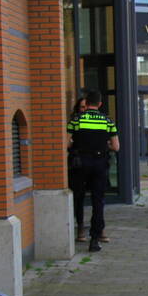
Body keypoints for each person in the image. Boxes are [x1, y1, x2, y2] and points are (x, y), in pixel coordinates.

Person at [67, 90, 119, 252]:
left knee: (79, 196)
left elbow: (66, 143)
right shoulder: (107, 121)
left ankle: (80, 228)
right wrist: (104, 146)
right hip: (99, 162)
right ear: (100, 104)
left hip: (80, 163)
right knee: (98, 200)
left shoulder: (77, 120)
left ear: (87, 103)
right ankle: (95, 239)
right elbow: (116, 147)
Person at [67, 96, 88, 242]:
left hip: (94, 162)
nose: (84, 110)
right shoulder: (74, 122)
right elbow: (67, 142)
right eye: (82, 107)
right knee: (78, 197)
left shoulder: (98, 122)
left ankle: (99, 229)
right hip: (77, 164)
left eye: (86, 107)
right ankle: (80, 227)